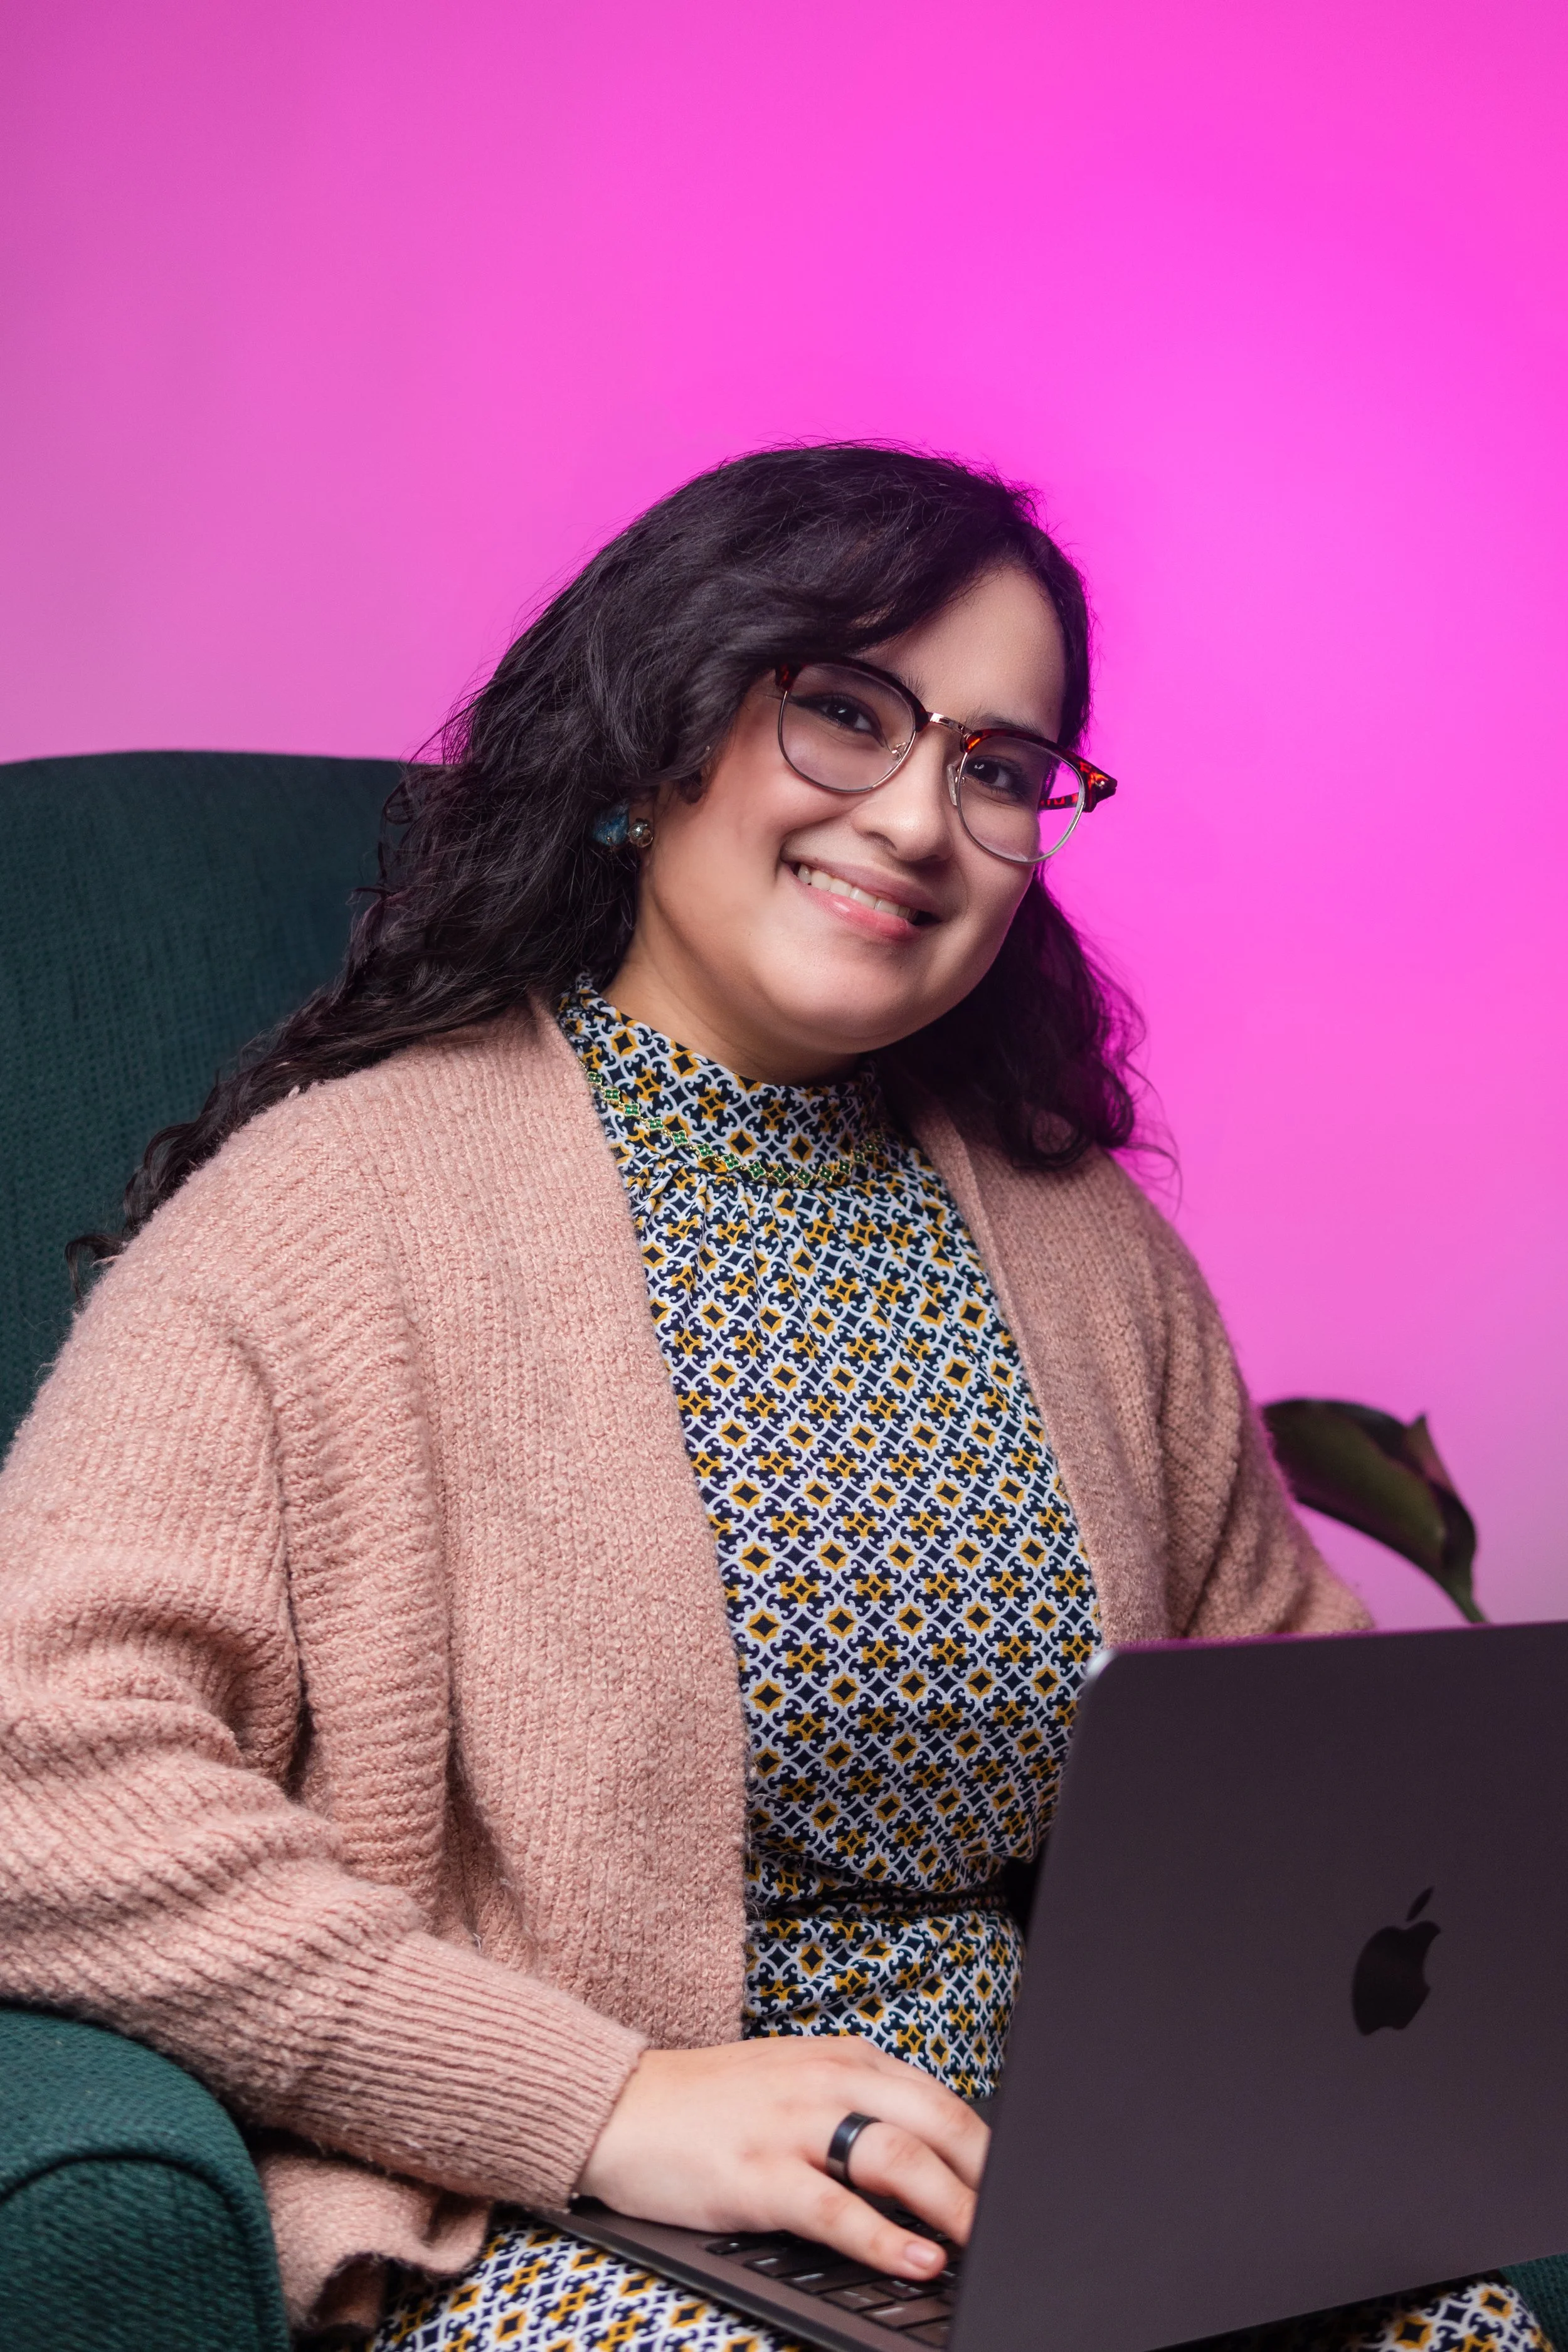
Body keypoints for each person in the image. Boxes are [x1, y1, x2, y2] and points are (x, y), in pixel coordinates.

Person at [0, 447, 1540, 2352]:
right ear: (659, 735)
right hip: (580, 2222)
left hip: (1086, 2198)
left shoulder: (1084, 1245)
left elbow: (1294, 1746)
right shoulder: (337, 1212)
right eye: (842, 712)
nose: (917, 818)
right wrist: (604, 2100)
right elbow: (36, 1774)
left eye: (994, 766)